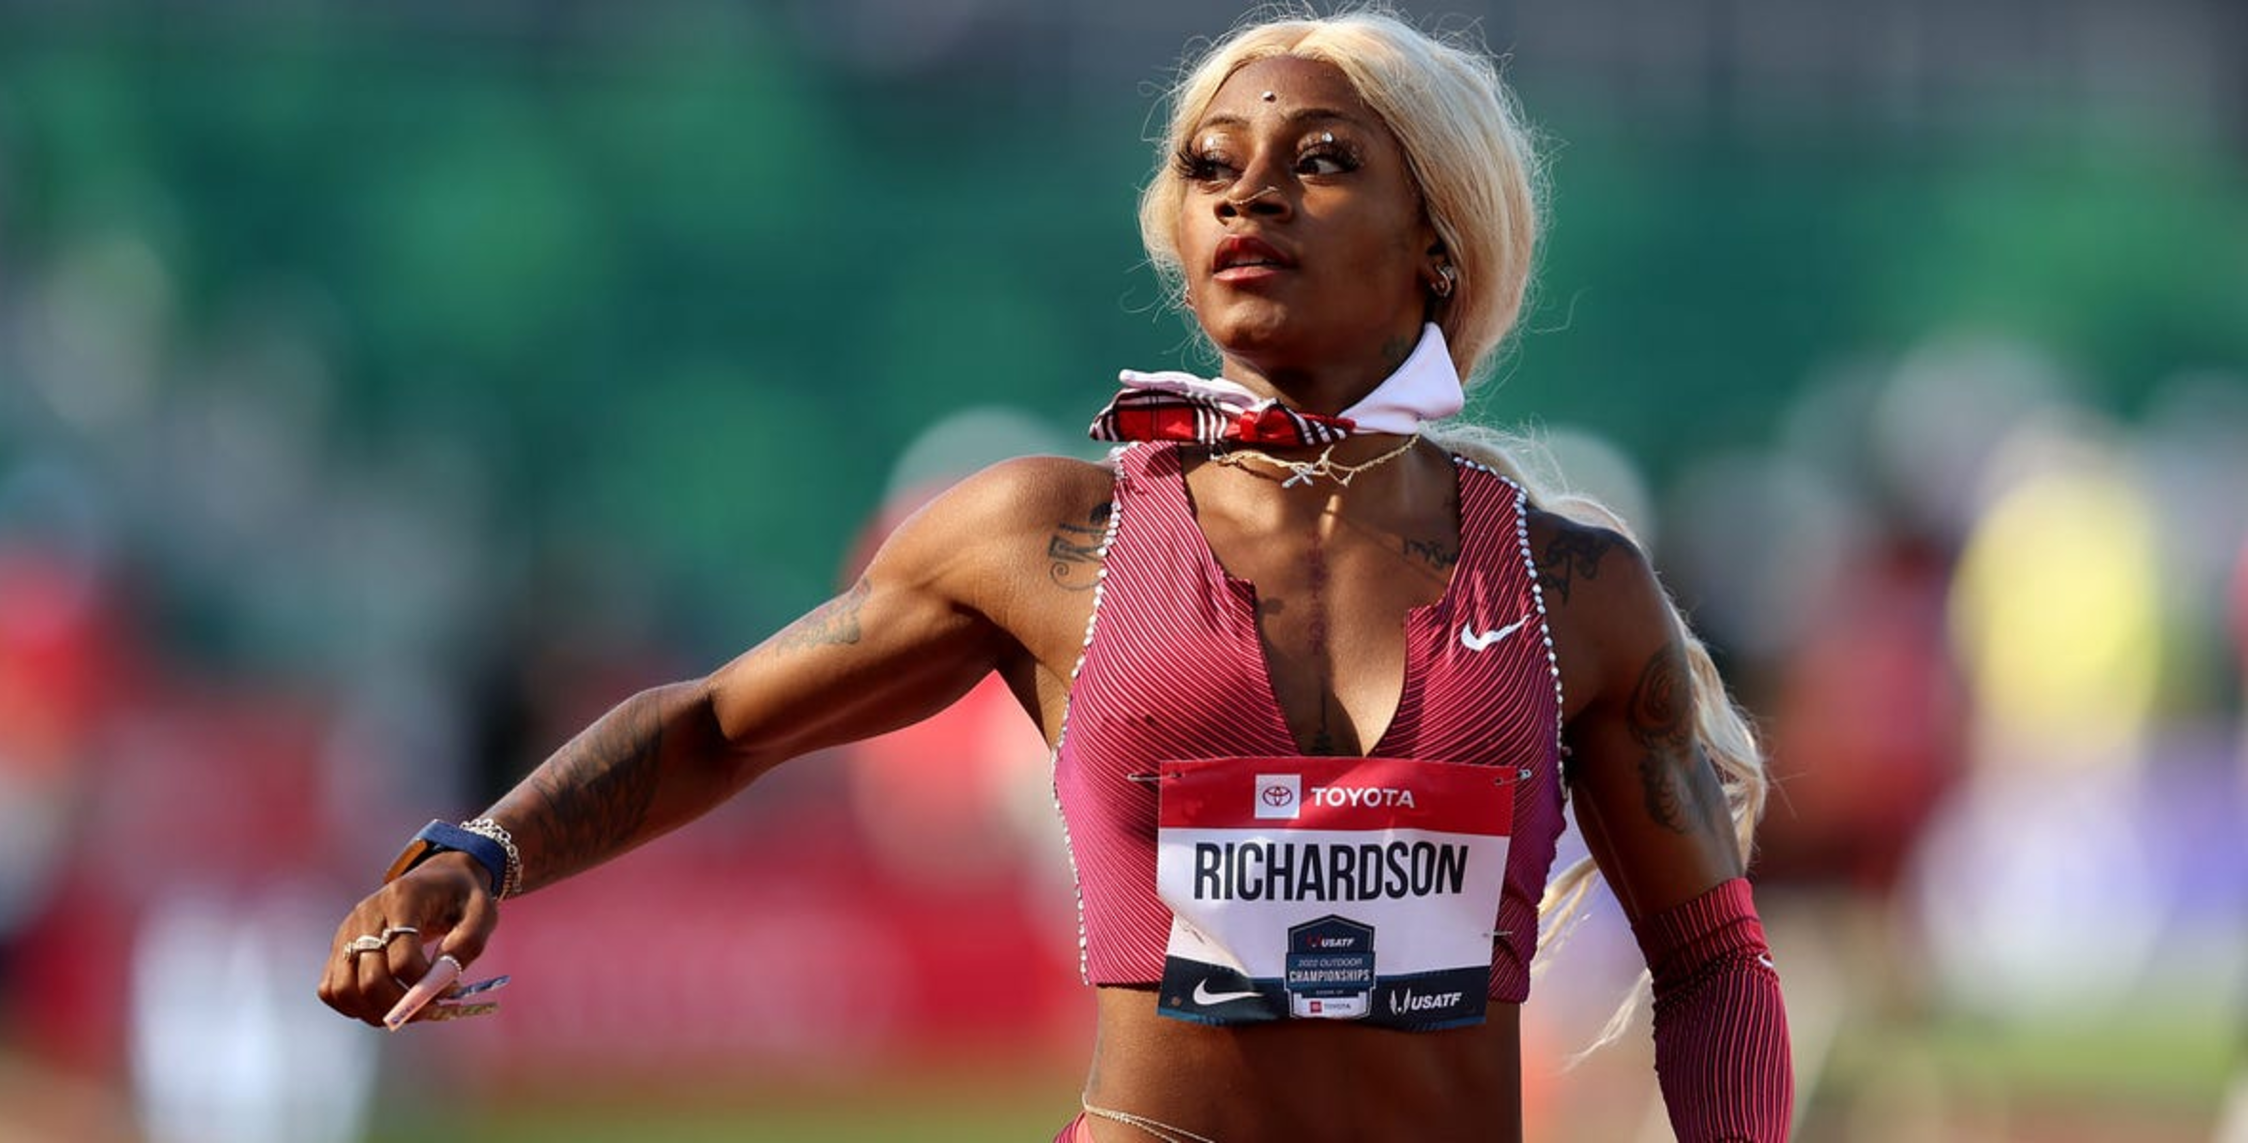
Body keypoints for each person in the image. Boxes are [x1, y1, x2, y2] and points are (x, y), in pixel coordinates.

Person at [318, 10, 1793, 1141]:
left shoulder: (1569, 588)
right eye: (1211, 168)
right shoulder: (1041, 538)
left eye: (1319, 161)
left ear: (1438, 246)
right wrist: (482, 850)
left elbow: (1713, 963)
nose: (1249, 196)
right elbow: (720, 723)